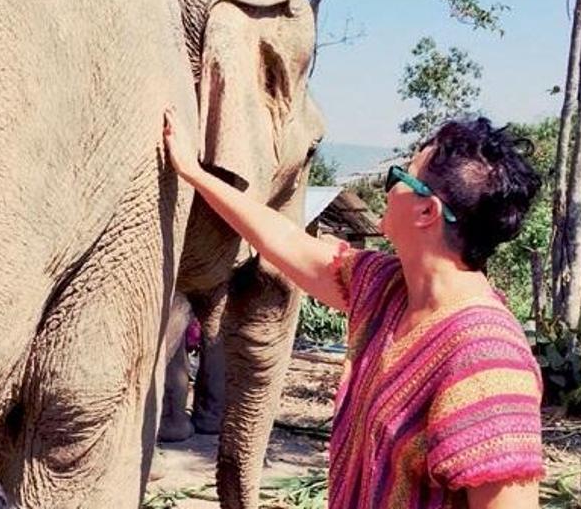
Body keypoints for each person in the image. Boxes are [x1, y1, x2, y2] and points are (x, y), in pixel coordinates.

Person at [163, 108, 545, 509]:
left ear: (427, 212)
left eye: (399, 177)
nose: (386, 189)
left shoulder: (488, 360)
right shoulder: (387, 289)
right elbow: (287, 241)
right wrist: (194, 173)